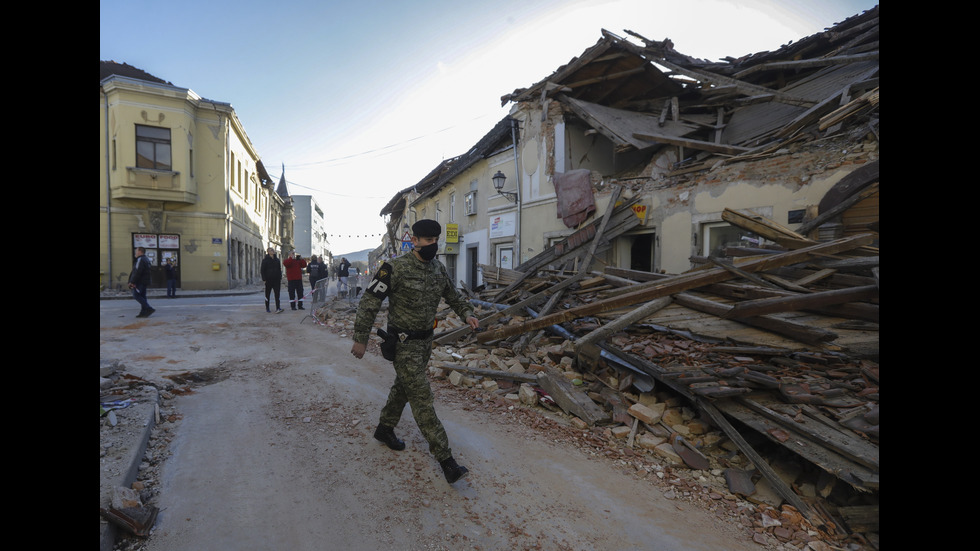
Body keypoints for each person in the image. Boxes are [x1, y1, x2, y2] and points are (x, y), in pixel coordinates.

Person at [350, 219, 480, 484]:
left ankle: (384, 429)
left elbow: (453, 296)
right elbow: (370, 302)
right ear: (415, 241)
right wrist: (360, 338)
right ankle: (447, 461)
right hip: (403, 344)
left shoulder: (438, 269)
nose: (432, 246)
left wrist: (467, 314)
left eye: (435, 241)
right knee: (422, 396)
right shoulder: (394, 268)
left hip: (425, 343)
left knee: (404, 388)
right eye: (427, 241)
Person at [128, 247, 155, 318]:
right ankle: (143, 312)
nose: (135, 253)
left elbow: (137, 271)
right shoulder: (146, 259)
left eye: (136, 251)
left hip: (139, 281)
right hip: (144, 281)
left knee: (136, 295)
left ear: (140, 251)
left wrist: (132, 281)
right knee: (143, 296)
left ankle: (149, 308)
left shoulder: (140, 259)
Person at [261, 248, 284, 313]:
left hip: (276, 280)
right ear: (268, 252)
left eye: (273, 250)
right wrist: (264, 279)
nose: (273, 251)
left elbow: (279, 269)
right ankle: (267, 308)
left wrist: (280, 277)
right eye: (271, 250)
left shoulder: (277, 260)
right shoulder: (265, 260)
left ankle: (278, 307)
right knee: (267, 294)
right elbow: (262, 270)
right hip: (268, 280)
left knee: (277, 294)